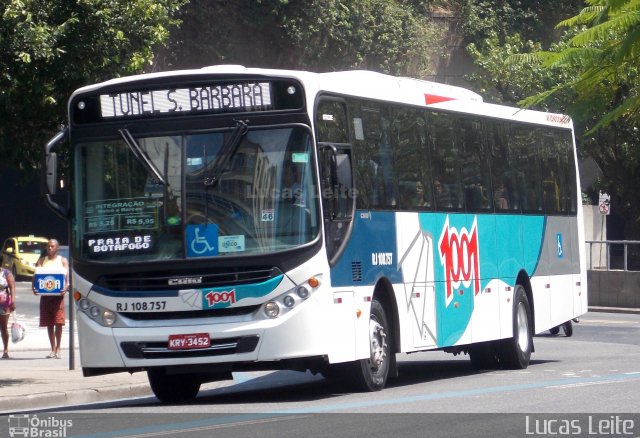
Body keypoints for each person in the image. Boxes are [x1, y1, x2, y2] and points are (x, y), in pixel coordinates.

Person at [32, 239, 69, 359]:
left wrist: (66, 287)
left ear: (57, 248)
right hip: (46, 297)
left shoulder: (63, 261)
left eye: (52, 246)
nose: (49, 248)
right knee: (49, 323)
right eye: (48, 246)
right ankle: (52, 349)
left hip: (58, 298)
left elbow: (67, 280)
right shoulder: (42, 261)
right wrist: (34, 287)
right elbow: (36, 276)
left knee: (58, 322)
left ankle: (58, 348)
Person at [0, 266, 16, 358]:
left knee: (3, 327)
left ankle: (5, 350)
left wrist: (13, 301)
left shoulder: (6, 273)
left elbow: (12, 287)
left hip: (4, 304)